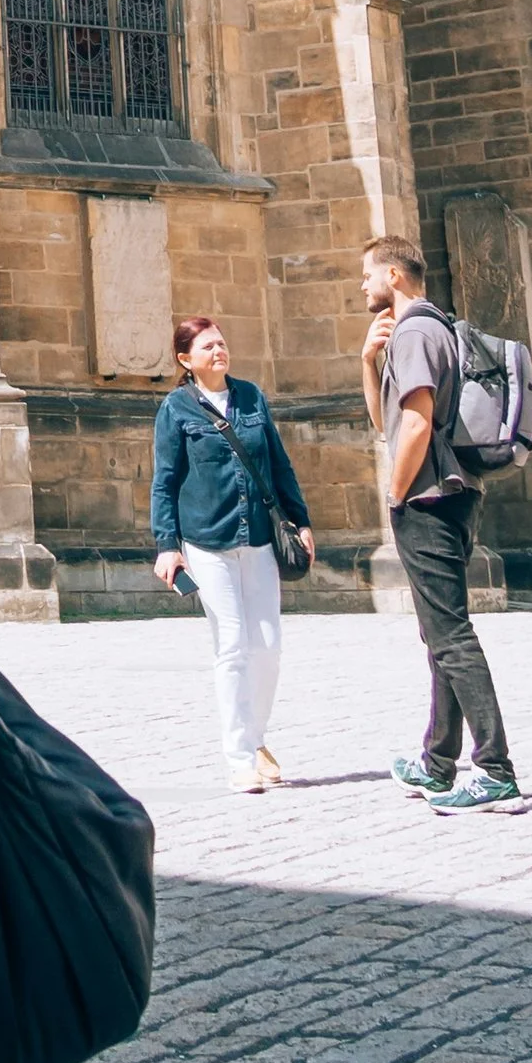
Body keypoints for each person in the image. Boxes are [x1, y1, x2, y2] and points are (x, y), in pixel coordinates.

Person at [361, 235, 520, 810]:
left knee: (451, 636)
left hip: (429, 498)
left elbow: (416, 424)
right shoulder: (432, 329)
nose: (364, 286)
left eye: (368, 276)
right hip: (452, 493)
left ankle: (496, 770)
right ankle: (436, 763)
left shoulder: (416, 331)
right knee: (440, 633)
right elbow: (384, 421)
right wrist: (367, 361)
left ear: (395, 276)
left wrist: (395, 494)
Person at [150, 315, 315, 791]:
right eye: (208, 346)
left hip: (260, 537)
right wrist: (167, 546)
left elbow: (279, 464)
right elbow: (164, 482)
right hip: (206, 541)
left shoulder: (251, 397)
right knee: (232, 646)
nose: (219, 351)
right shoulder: (176, 409)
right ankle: (239, 758)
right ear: (186, 359)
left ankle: (256, 737)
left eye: (221, 343)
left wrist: (300, 520)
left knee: (268, 646)